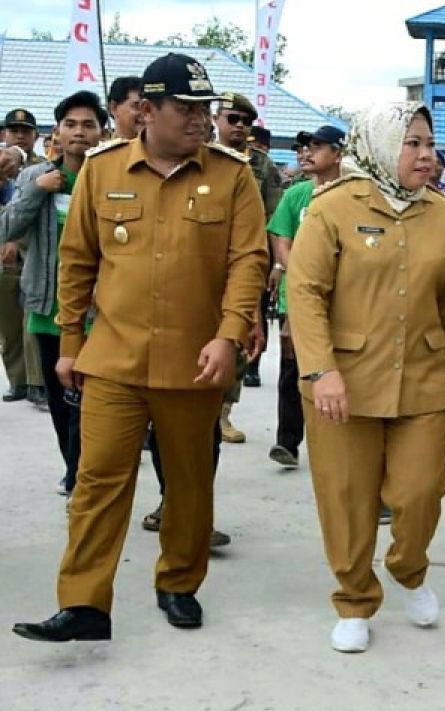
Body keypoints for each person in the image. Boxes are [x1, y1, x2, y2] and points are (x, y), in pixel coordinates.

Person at [11, 53, 268, 643]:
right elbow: (77, 261)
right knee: (98, 481)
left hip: (195, 362)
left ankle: (178, 582)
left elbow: (247, 262)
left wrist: (230, 336)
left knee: (188, 482)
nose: (201, 120)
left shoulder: (232, 176)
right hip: (114, 361)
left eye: (206, 110)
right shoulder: (102, 170)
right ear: (147, 111)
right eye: (187, 109)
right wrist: (70, 343)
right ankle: (83, 605)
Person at [287, 101, 445, 653]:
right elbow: (304, 293)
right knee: (346, 496)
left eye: (429, 143)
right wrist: (321, 369)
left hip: (419, 376)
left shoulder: (441, 214)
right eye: (412, 143)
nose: (427, 155)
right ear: (378, 146)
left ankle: (408, 566)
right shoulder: (332, 207)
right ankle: (353, 599)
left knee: (421, 490)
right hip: (342, 382)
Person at [0, 91, 106, 497]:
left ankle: (85, 472)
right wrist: (37, 190)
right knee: (62, 401)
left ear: (102, 131)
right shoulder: (36, 177)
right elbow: (6, 228)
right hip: (47, 307)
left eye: (88, 124)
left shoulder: (110, 178)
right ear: (56, 132)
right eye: (71, 124)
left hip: (99, 312)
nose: (79, 132)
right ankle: (73, 468)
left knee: (91, 398)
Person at [265, 124, 346, 470]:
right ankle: (287, 441)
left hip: (344, 299)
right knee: (293, 368)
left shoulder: (354, 195)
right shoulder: (296, 195)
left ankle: (338, 442)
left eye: (318, 146)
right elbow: (281, 238)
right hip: (297, 296)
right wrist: (297, 274)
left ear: (339, 153)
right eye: (305, 147)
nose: (308, 153)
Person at [214, 92, 280, 399]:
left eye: (246, 121)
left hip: (245, 259)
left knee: (239, 330)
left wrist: (274, 266)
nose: (240, 126)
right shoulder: (199, 156)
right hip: (204, 260)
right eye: (233, 119)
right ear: (216, 119)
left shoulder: (262, 166)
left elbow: (271, 221)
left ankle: (225, 409)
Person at [1, 108, 47, 407]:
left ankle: (36, 383)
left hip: (32, 253)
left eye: (26, 130)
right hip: (2, 257)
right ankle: (17, 380)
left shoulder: (44, 168)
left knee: (33, 320)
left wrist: (14, 240)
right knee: (8, 324)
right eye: (13, 129)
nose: (20, 135)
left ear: (36, 135)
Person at [106, 77, 144, 141]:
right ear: (114, 108)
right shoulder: (106, 150)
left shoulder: (162, 149)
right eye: (137, 106)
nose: (145, 113)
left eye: (148, 107)